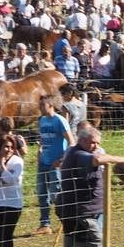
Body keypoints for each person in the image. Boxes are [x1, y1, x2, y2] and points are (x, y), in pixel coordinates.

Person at [57, 125, 124, 247]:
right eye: (93, 143)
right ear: (82, 140)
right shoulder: (78, 154)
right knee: (96, 246)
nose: (96, 147)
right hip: (82, 212)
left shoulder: (82, 152)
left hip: (73, 209)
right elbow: (98, 160)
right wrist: (122, 159)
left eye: (98, 143)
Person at [33, 95, 72, 234]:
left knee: (57, 194)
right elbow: (43, 139)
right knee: (42, 193)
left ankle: (67, 221)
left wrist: (61, 160)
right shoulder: (42, 120)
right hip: (43, 161)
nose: (40, 108)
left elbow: (71, 142)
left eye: (42, 105)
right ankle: (45, 224)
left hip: (56, 163)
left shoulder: (60, 121)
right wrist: (39, 151)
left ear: (50, 105)